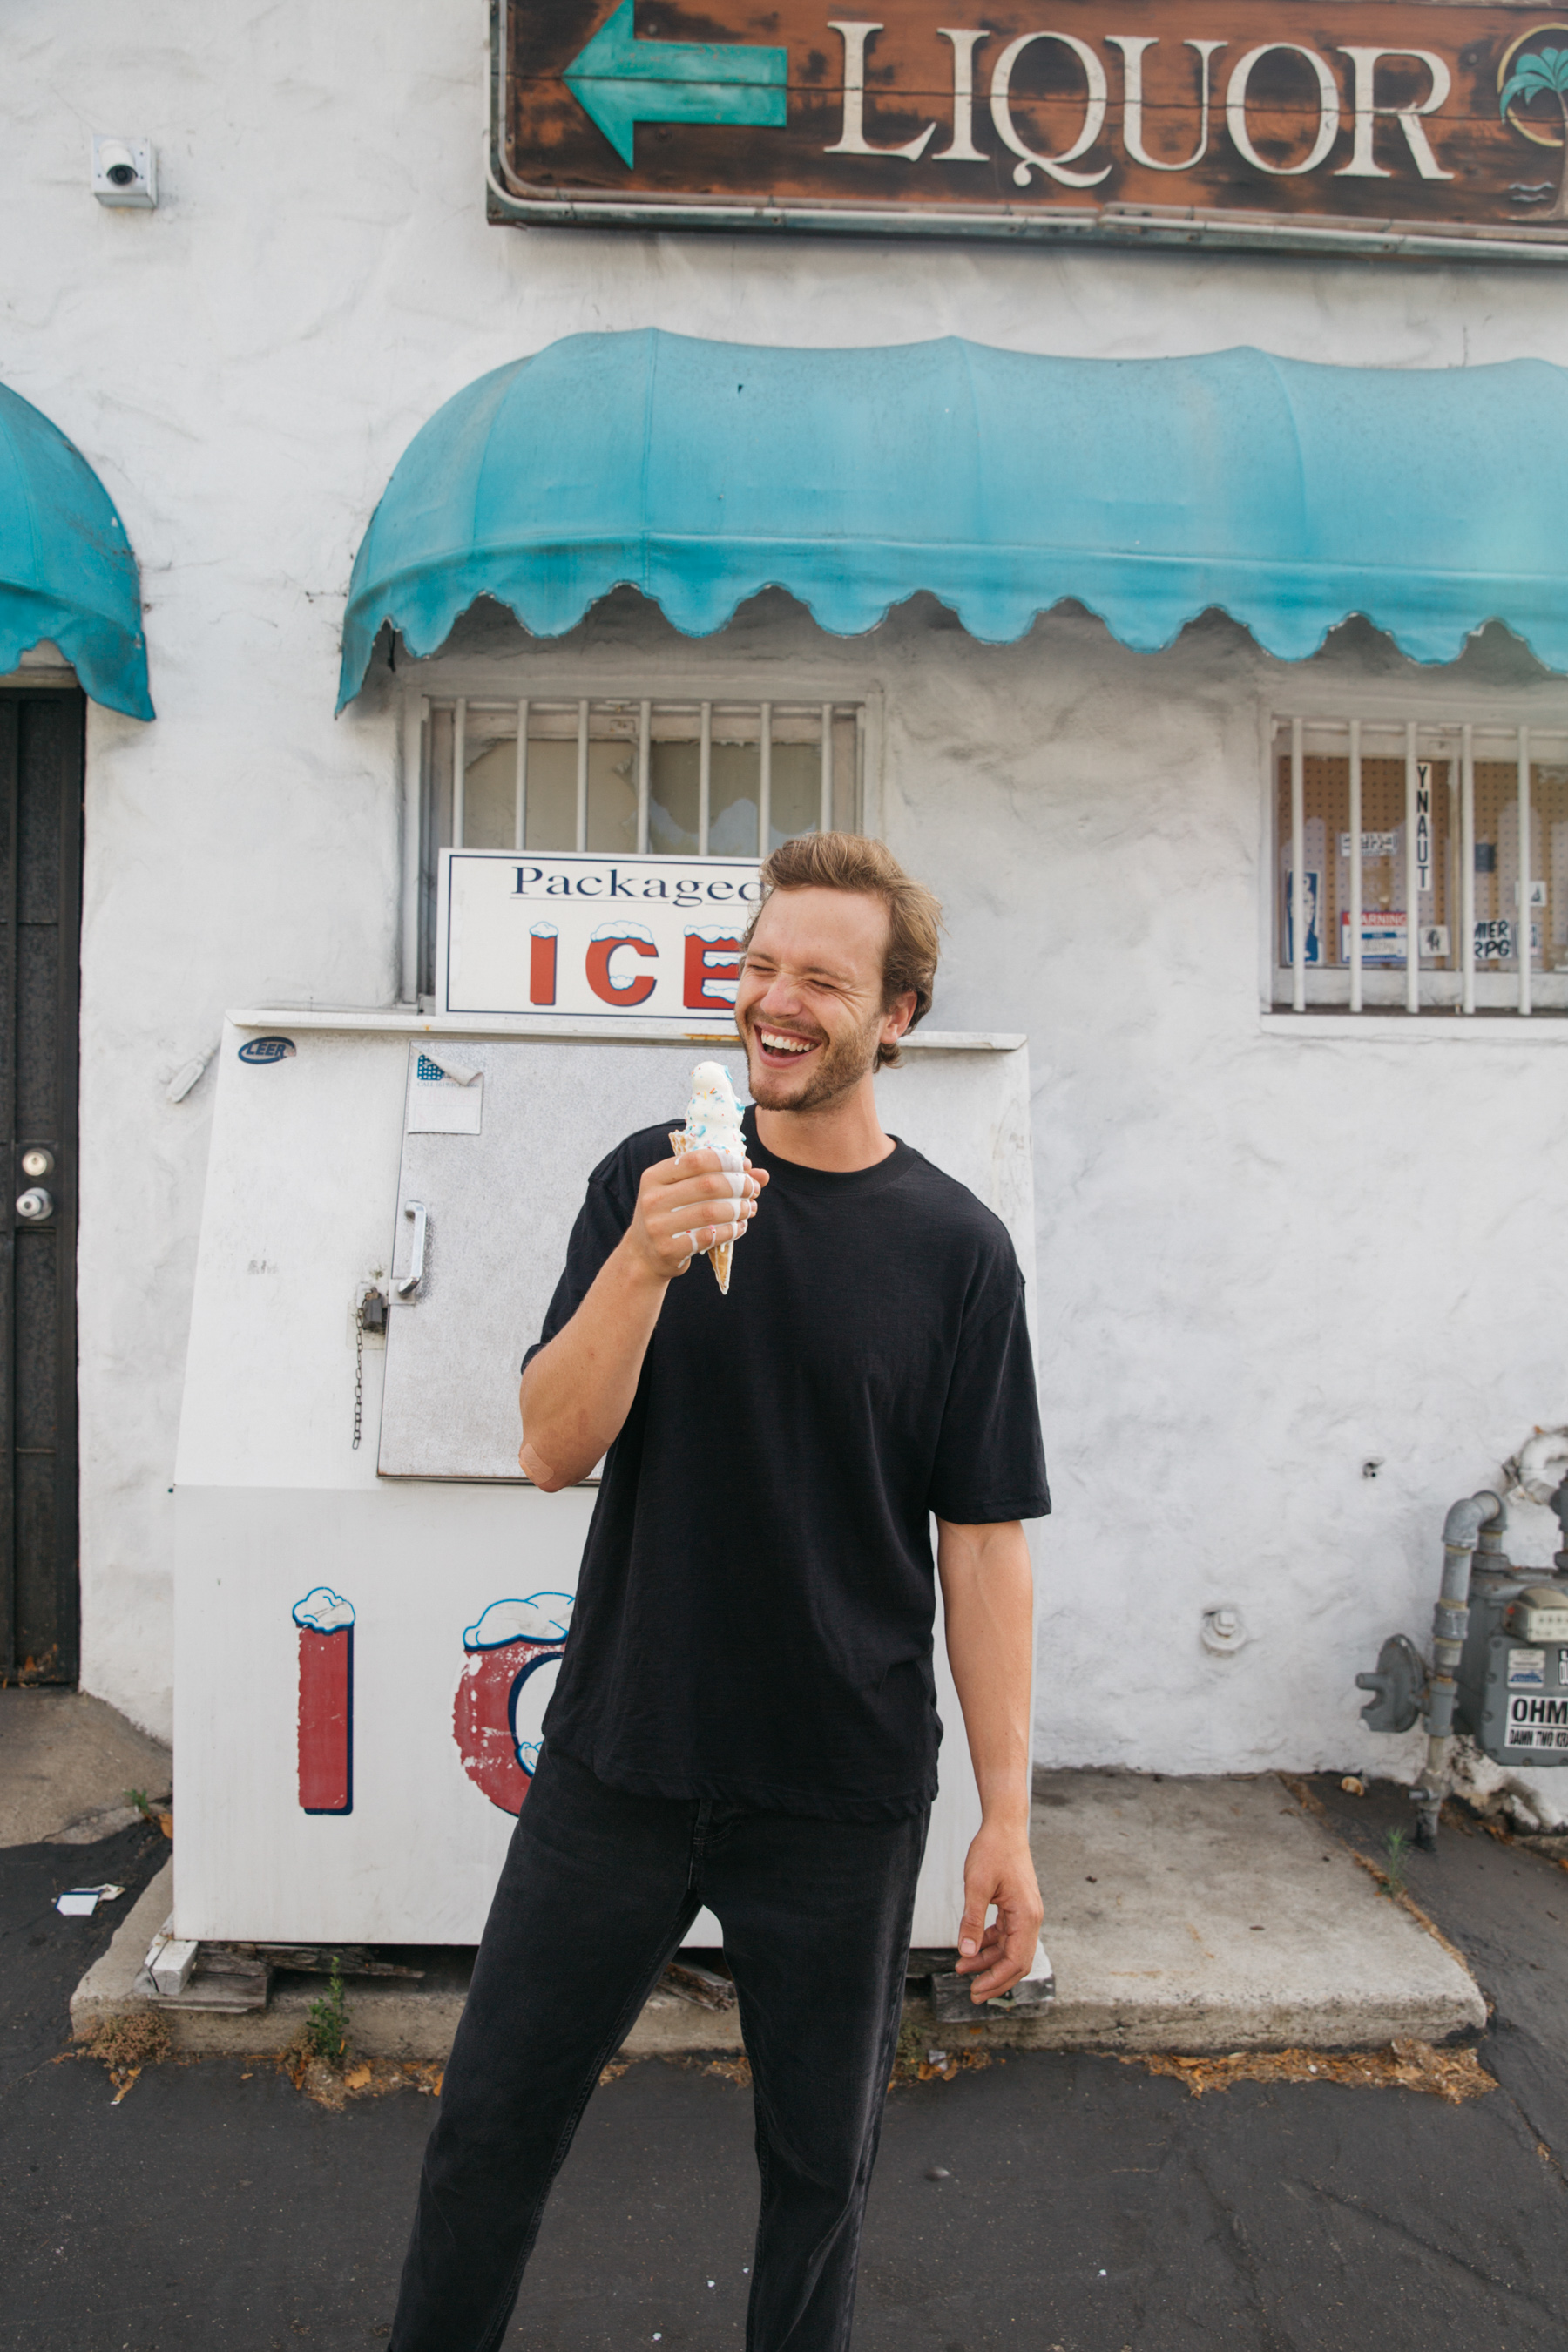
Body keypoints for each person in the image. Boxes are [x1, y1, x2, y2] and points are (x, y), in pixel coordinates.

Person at [389, 832, 1050, 2352]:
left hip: (839, 1791)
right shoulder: (649, 1181)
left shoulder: (958, 1252)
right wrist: (644, 1259)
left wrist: (1007, 1818)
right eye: (758, 966)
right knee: (489, 2132)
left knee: (818, 2179)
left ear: (897, 1016)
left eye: (823, 978)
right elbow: (551, 1450)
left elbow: (984, 1543)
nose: (775, 1000)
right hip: (622, 1758)